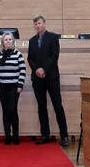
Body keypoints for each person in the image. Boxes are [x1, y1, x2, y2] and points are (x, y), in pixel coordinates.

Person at [27, 14, 69, 146]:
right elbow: (30, 58)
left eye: (39, 23)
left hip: (51, 77)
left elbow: (54, 55)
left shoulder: (53, 37)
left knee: (58, 106)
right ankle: (45, 134)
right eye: (35, 24)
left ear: (44, 24)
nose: (37, 26)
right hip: (37, 79)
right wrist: (37, 70)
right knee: (41, 107)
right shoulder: (32, 40)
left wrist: (43, 69)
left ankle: (64, 136)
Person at [0, 32, 26, 145]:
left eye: (10, 40)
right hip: (2, 87)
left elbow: (23, 70)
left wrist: (20, 85)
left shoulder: (18, 54)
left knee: (12, 109)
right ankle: (7, 135)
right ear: (3, 42)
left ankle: (15, 135)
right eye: (6, 40)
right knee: (5, 111)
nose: (8, 41)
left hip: (14, 87)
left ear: (13, 41)